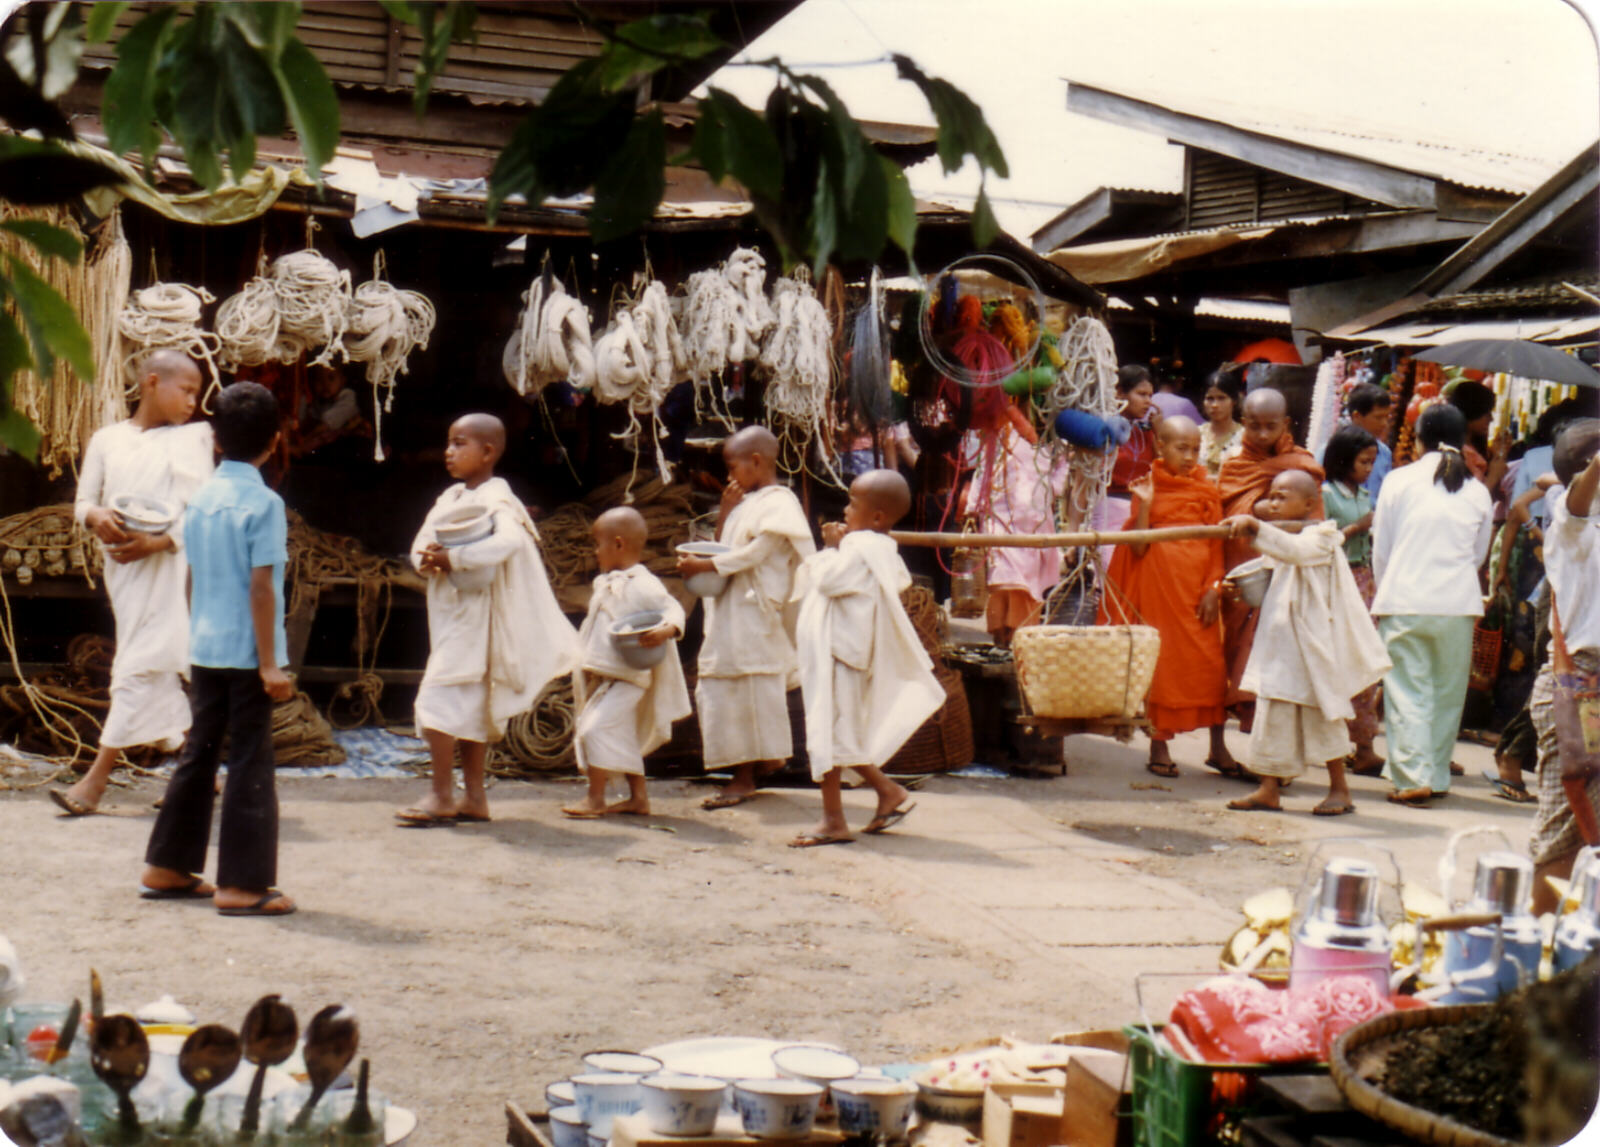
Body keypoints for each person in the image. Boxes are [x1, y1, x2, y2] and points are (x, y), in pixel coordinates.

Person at [141, 382, 296, 915]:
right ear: (274, 441)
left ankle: (167, 867)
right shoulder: (265, 503)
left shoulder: (201, 499)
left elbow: (192, 577)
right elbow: (261, 587)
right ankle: (242, 885)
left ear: (214, 442)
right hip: (250, 653)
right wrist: (271, 663)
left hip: (204, 645)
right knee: (251, 761)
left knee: (198, 753)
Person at [51, 350, 214, 816]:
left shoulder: (191, 441)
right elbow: (83, 502)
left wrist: (160, 542)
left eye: (196, 395)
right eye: (185, 391)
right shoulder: (107, 440)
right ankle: (198, 773)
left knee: (136, 667)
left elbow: (200, 513)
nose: (192, 403)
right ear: (152, 383)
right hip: (122, 569)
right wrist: (97, 516)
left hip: (168, 571)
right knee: (155, 667)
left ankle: (94, 783)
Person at [398, 413, 579, 826]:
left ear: (488, 452)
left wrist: (456, 558)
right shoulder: (448, 500)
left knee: (436, 701)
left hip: (479, 617)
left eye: (459, 443)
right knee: (471, 707)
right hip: (451, 614)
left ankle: (442, 794)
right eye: (448, 443)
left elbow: (511, 542)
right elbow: (420, 544)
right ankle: (475, 798)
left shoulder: (499, 501)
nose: (449, 451)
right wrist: (429, 559)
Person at [1221, 470, 1391, 815]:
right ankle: (1269, 788)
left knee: (1321, 715)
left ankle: (1340, 789)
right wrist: (1236, 583)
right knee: (1272, 714)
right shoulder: (1283, 538)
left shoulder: (1322, 536)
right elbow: (1271, 564)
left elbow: (1295, 552)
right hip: (1280, 644)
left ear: (1310, 504)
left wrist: (1253, 526)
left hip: (1312, 647)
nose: (1273, 503)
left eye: (1283, 496)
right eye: (1271, 496)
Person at [792, 470, 941, 847]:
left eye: (852, 504)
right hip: (842, 653)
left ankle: (836, 819)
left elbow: (827, 581)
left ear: (876, 517)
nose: (844, 510)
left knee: (830, 734)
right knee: (836, 734)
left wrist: (828, 549)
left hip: (839, 655)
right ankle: (885, 793)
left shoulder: (860, 547)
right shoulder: (876, 549)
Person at [679, 426, 816, 810]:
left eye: (732, 464)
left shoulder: (780, 503)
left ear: (756, 462)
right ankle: (756, 764)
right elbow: (725, 547)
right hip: (729, 611)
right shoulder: (745, 504)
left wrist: (707, 563)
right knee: (724, 684)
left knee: (752, 688)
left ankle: (745, 776)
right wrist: (724, 513)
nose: (728, 475)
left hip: (756, 613)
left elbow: (756, 554)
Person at [1371, 404, 1495, 805]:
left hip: (1405, 596)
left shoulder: (1398, 480)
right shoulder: (1478, 490)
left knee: (1407, 691)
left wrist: (1386, 586)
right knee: (1446, 693)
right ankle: (1436, 774)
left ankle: (1412, 776)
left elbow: (1382, 549)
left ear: (1420, 438)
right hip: (1457, 603)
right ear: (1464, 440)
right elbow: (1478, 556)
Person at [1102, 416, 1237, 779]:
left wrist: (1213, 588)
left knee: (1210, 666)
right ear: (1160, 447)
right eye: (1182, 448)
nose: (1191, 457)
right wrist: (1145, 504)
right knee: (1161, 667)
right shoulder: (1147, 486)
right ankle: (1158, 745)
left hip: (1197, 590)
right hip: (1159, 591)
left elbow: (1215, 546)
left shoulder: (1206, 490)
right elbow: (1140, 546)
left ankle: (1218, 747)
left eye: (1196, 449)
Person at [563, 508, 690, 819]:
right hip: (606, 677)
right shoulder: (605, 583)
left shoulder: (644, 584)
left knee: (594, 730)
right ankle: (638, 798)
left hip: (629, 677)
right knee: (618, 733)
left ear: (618, 544)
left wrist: (667, 629)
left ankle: (595, 798)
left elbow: (672, 608)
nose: (595, 552)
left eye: (598, 544)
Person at [1216, 388, 1324, 725]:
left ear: (1287, 423)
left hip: (1287, 570)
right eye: (1255, 426)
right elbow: (1227, 509)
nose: (1263, 435)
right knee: (1239, 649)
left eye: (1271, 426)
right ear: (1243, 423)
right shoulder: (1234, 463)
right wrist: (1260, 509)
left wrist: (1265, 512)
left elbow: (1314, 518)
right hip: (1243, 571)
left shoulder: (1303, 462)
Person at [1528, 419, 1600, 913]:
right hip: (1582, 685)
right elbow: (1573, 499)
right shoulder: (1571, 522)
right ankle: (1532, 946)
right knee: (1562, 832)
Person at [962, 403, 1067, 645]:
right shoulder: (1002, 434)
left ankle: (1021, 643)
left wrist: (1052, 486)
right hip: (1000, 519)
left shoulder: (1054, 444)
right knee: (1005, 579)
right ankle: (1001, 639)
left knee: (1026, 585)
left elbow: (1060, 478)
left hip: (1034, 522)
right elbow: (983, 470)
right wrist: (972, 508)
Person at [1319, 423, 1386, 776]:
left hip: (1365, 579)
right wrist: (1358, 527)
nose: (1369, 469)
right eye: (1364, 461)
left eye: (1373, 462)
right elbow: (1322, 541)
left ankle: (1364, 745)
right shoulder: (1327, 494)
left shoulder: (1365, 495)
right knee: (1334, 662)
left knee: (1365, 664)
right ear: (1344, 460)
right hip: (1337, 581)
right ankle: (1328, 745)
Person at [1096, 365, 1159, 568]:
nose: (1148, 401)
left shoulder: (1147, 432)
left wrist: (1159, 430)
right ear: (1120, 393)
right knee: (1111, 569)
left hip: (1140, 512)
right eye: (1141, 394)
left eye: (1150, 395)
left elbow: (1161, 466)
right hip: (1108, 509)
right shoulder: (1102, 428)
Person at [1317, 383, 1394, 503]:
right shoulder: (1330, 451)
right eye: (1378, 417)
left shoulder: (1384, 453)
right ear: (1356, 416)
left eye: (1387, 417)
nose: (1384, 423)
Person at [1198, 371, 1244, 480]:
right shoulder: (1195, 434)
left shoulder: (1244, 436)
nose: (1215, 405)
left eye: (1221, 398)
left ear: (1234, 401)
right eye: (1210, 398)